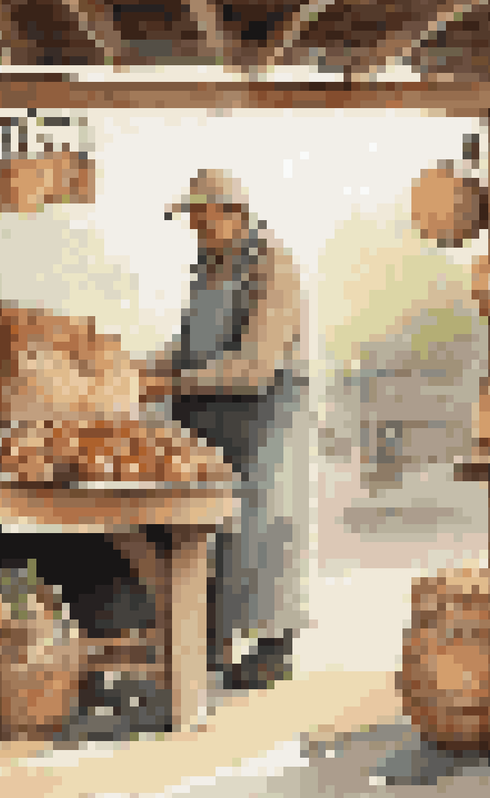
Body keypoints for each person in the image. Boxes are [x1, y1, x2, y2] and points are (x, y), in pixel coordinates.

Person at [141, 168, 309, 691]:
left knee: (260, 522)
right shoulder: (206, 265)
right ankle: (205, 643)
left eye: (201, 220)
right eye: (191, 221)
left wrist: (173, 381)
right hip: (208, 406)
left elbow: (256, 364)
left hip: (264, 411)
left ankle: (272, 649)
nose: (195, 230)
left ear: (230, 214)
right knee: (201, 526)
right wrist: (140, 366)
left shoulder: (271, 265)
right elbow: (190, 340)